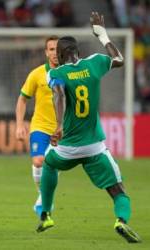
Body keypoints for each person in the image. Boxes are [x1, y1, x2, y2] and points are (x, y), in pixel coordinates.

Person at [36, 12, 141, 243]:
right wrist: (102, 34)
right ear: (78, 53)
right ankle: (121, 221)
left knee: (49, 165)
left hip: (66, 147)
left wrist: (60, 125)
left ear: (61, 55)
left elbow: (59, 94)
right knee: (118, 191)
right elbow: (120, 59)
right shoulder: (94, 62)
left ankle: (45, 214)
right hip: (94, 146)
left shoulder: (56, 72)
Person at [15, 36, 59, 216]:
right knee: (39, 161)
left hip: (63, 129)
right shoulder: (37, 74)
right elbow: (22, 99)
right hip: (40, 126)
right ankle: (43, 195)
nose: (55, 53)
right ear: (46, 52)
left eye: (58, 49)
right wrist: (19, 124)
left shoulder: (72, 73)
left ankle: (45, 196)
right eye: (51, 49)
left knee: (54, 164)